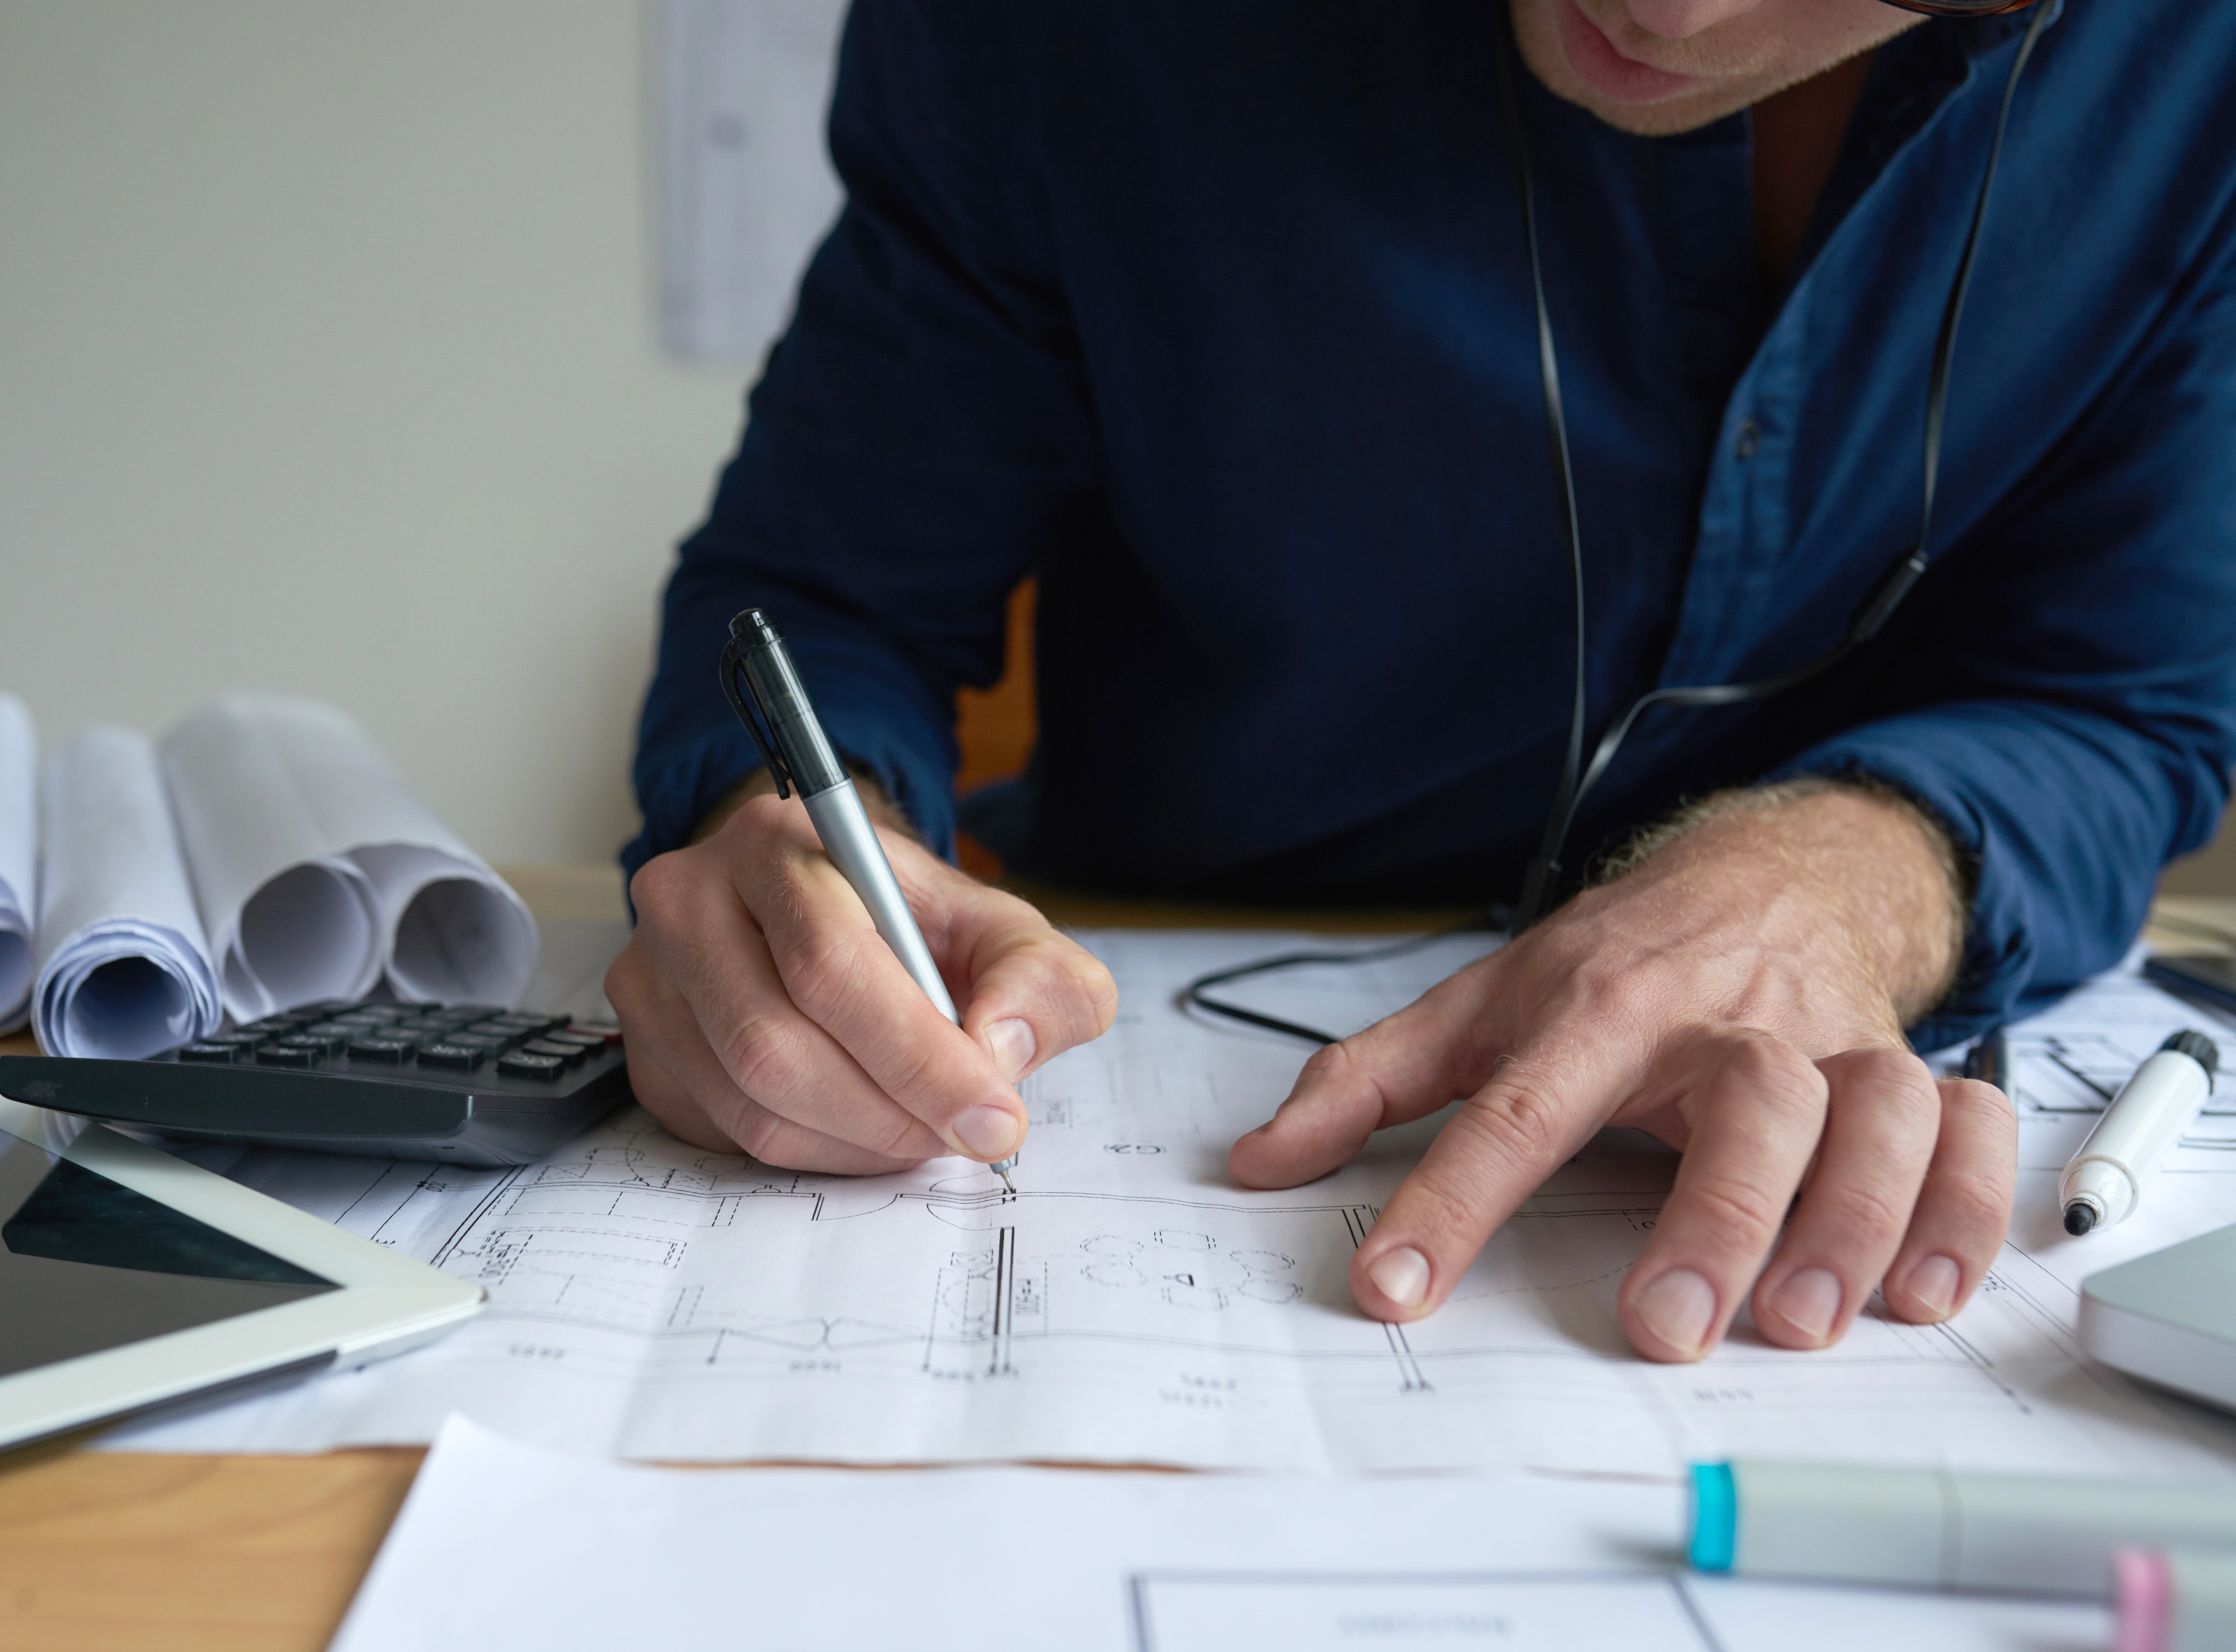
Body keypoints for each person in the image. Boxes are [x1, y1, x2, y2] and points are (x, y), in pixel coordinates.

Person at [609, 0, 2236, 1363]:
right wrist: (786, 836)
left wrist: (1843, 885)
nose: (1664, 6)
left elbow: (2125, 701)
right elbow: (829, 593)